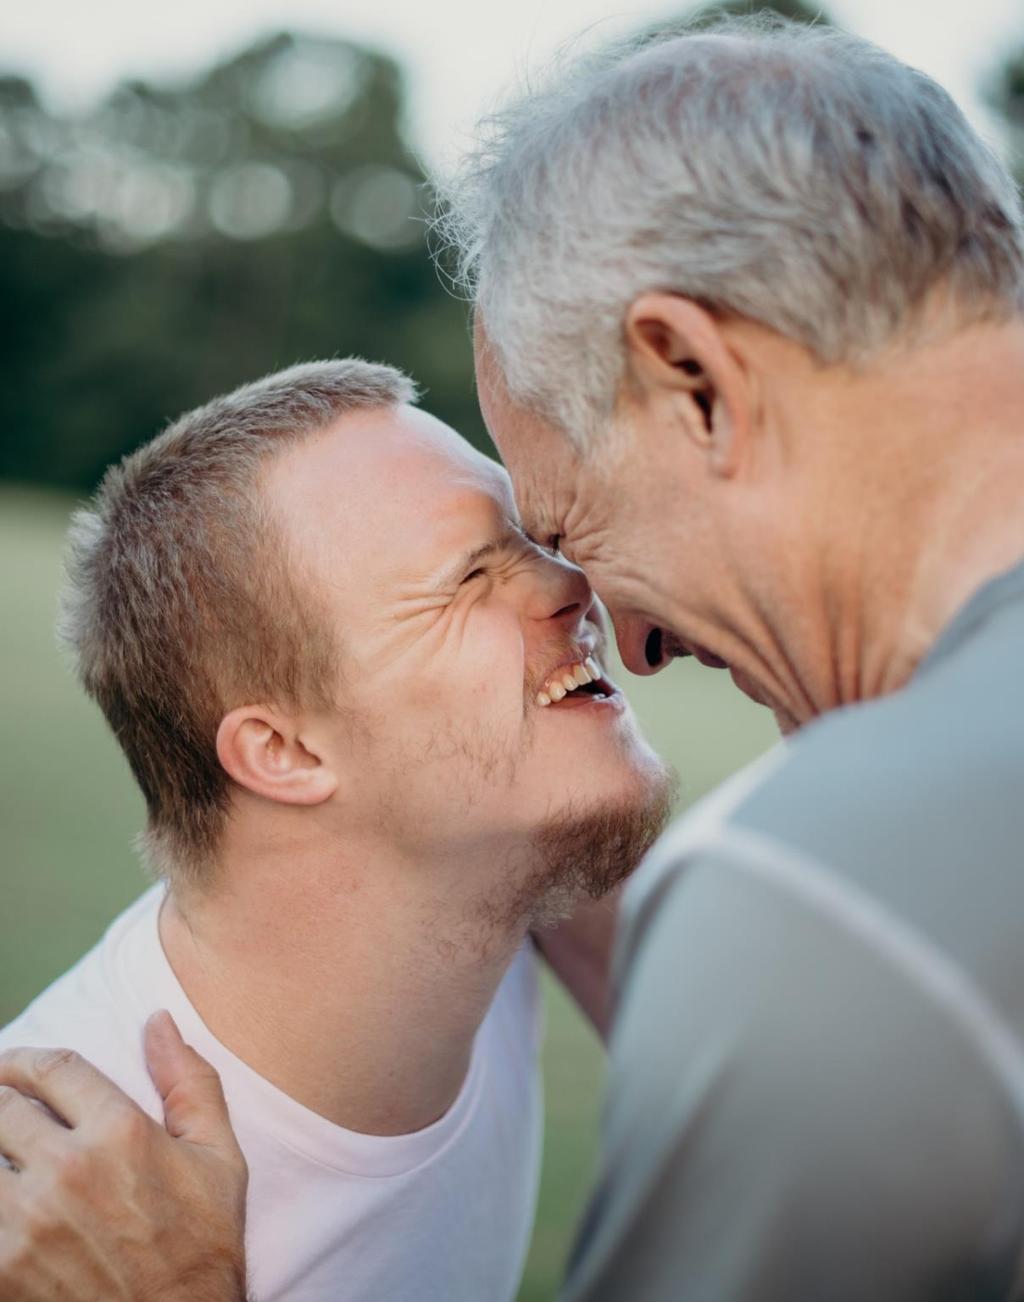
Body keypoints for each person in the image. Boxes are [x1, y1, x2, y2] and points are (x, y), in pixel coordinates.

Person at [2, 12, 1024, 1301]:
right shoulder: (49, 1200)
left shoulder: (823, 911)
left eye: (565, 519)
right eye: (490, 564)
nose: (624, 633)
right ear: (280, 748)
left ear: (697, 381)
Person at [0, 359, 671, 1301]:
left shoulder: (504, 869)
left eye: (532, 535)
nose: (575, 582)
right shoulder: (57, 1222)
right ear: (284, 751)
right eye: (470, 578)